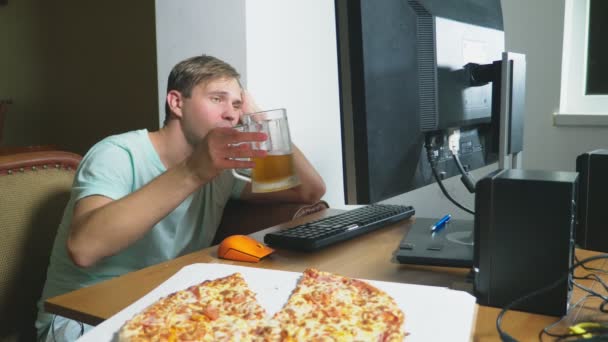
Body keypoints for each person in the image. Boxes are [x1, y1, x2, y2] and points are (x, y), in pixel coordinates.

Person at [35, 54, 326, 341]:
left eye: (237, 104)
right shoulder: (117, 154)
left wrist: (263, 120)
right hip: (81, 320)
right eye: (217, 99)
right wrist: (194, 170)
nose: (231, 113)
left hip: (168, 311)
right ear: (176, 103)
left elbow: (309, 189)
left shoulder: (221, 173)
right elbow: (84, 248)